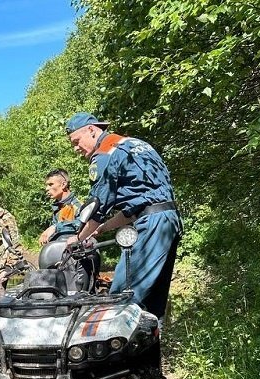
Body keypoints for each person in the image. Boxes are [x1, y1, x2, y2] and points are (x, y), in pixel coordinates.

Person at [64, 113, 182, 326]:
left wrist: (78, 238)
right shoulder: (134, 144)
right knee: (152, 300)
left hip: (151, 226)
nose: (75, 148)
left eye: (76, 141)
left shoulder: (104, 154)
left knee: (120, 298)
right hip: (168, 220)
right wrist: (102, 229)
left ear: (91, 130)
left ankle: (112, 357)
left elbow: (97, 205)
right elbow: (140, 205)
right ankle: (149, 352)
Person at [38, 168, 83, 245]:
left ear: (63, 184)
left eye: (51, 184)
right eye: (47, 185)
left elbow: (82, 224)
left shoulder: (77, 206)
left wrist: (55, 227)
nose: (47, 189)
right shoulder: (58, 207)